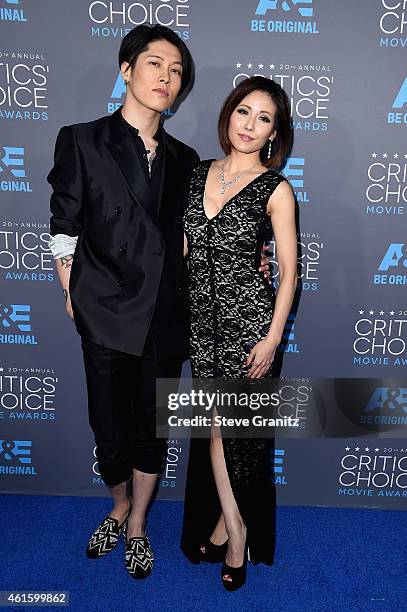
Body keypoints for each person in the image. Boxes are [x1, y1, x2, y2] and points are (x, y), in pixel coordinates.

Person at [47, 24, 199, 580]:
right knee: (108, 428)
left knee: (152, 429)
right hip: (104, 308)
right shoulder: (82, 139)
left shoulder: (186, 159)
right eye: (155, 63)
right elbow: (64, 221)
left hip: (163, 313)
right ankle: (117, 504)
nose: (166, 76)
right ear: (126, 70)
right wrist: (70, 289)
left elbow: (190, 236)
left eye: (176, 70)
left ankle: (136, 525)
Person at [181, 76, 298, 591]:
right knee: (214, 432)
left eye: (264, 118)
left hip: (249, 328)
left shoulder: (277, 189)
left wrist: (272, 340)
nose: (250, 125)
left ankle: (237, 536)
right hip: (201, 327)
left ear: (275, 133)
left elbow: (290, 273)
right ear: (229, 115)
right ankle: (226, 525)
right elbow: (184, 249)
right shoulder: (196, 173)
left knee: (231, 437)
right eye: (244, 112)